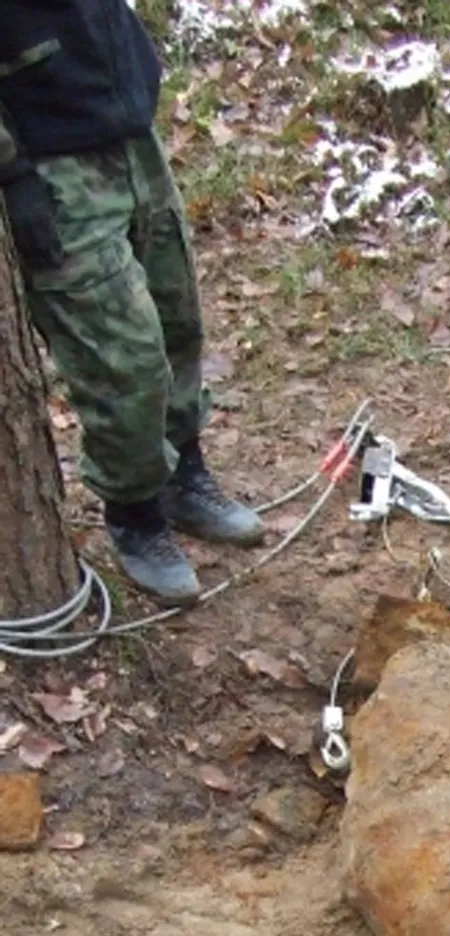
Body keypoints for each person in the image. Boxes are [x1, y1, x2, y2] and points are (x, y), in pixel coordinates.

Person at [0, 1, 264, 605]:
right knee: (123, 358)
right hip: (48, 160)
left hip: (126, 129)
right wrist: (11, 177)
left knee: (177, 322)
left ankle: (183, 475)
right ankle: (135, 513)